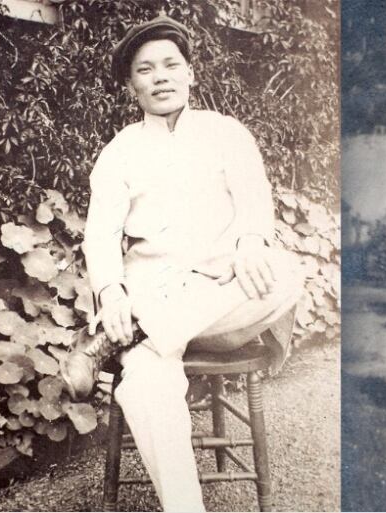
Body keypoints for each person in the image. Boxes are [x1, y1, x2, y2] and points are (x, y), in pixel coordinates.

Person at [59, 14, 303, 511]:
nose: (161, 76)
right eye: (146, 69)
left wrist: (251, 242)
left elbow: (255, 201)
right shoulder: (119, 153)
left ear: (191, 73)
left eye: (172, 64)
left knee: (287, 271)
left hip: (223, 303)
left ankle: (118, 339)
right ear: (131, 85)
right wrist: (110, 292)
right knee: (148, 382)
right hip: (155, 291)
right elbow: (101, 236)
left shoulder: (227, 133)